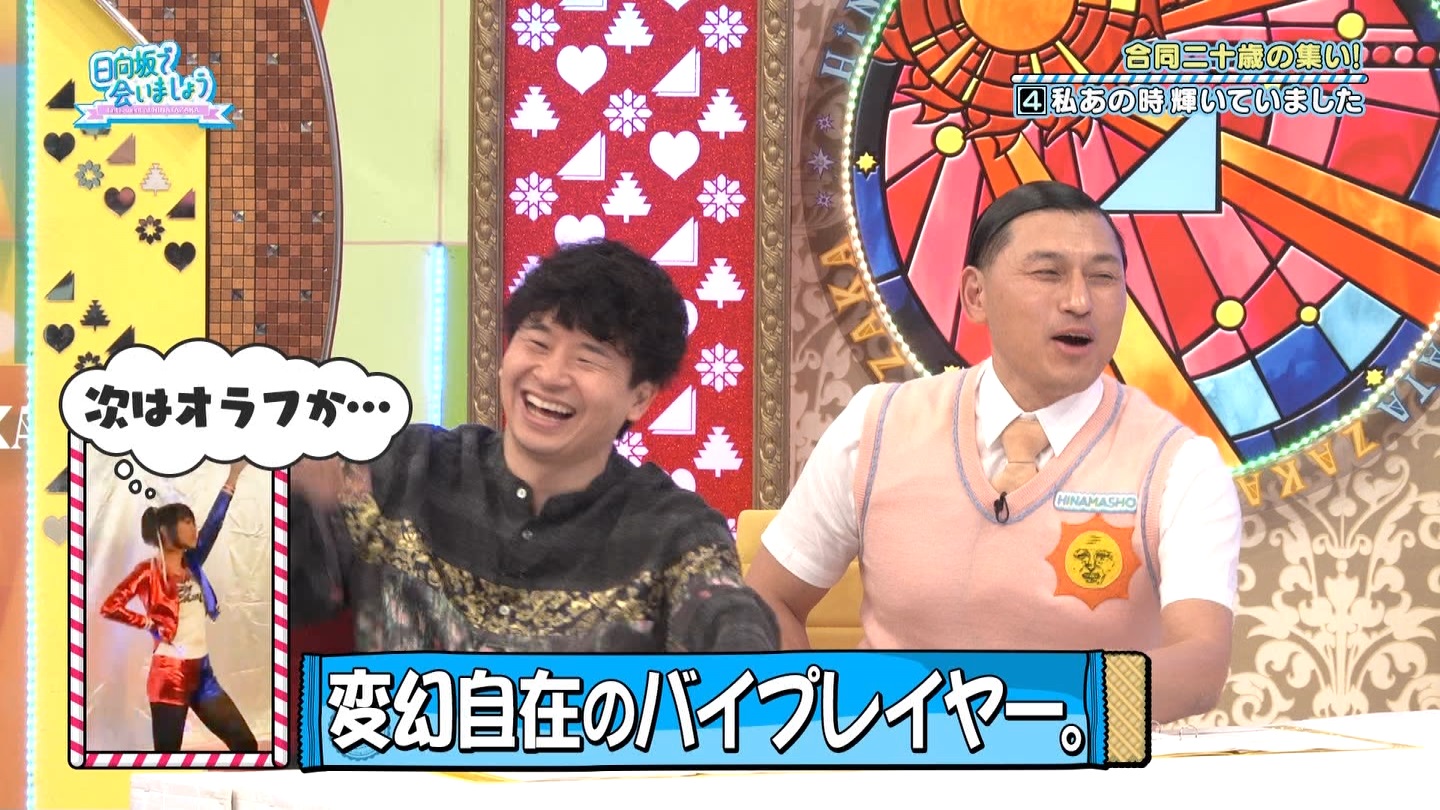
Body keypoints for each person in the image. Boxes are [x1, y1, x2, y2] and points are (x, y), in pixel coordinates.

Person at [746, 181, 1242, 723]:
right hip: (894, 757)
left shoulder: (1178, 464)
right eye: (1048, 273)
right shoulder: (877, 426)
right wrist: (822, 726)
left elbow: (1199, 666)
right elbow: (768, 601)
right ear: (975, 295)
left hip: (1080, 759)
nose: (1079, 301)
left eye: (1103, 277)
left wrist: (1032, 717)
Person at [288, 238, 779, 653]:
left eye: (589, 359)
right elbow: (292, 599)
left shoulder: (674, 533)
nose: (550, 374)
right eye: (537, 343)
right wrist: (295, 494)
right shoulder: (399, 469)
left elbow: (735, 636)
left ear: (640, 397)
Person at [100, 461, 259, 752]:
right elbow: (111, 606)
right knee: (168, 754)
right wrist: (148, 623)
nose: (193, 527)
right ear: (165, 531)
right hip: (170, 674)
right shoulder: (148, 572)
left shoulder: (193, 563)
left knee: (245, 744)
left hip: (203, 673)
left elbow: (214, 524)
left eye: (192, 521)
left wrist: (233, 477)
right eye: (185, 522)